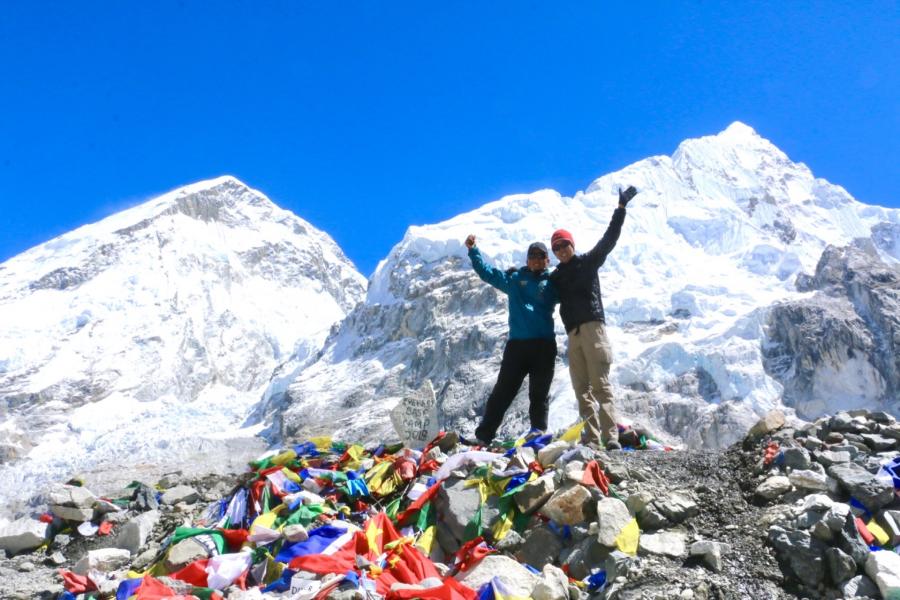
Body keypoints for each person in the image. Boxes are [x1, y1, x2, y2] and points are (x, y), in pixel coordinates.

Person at [550, 186, 638, 450]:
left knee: (600, 385)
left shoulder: (588, 262)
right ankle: (592, 438)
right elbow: (538, 284)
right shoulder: (555, 276)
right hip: (572, 334)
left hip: (592, 329)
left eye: (564, 245)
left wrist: (620, 209)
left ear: (572, 245)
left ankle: (610, 437)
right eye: (556, 247)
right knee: (581, 390)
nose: (561, 250)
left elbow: (609, 239)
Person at [464, 234, 558, 445]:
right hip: (517, 346)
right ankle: (483, 436)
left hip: (544, 346)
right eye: (532, 255)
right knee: (502, 392)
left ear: (547, 260)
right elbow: (488, 274)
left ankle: (538, 433)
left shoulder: (554, 282)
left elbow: (573, 293)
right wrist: (473, 251)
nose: (535, 259)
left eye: (540, 255)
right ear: (526, 260)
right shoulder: (515, 280)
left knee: (539, 393)